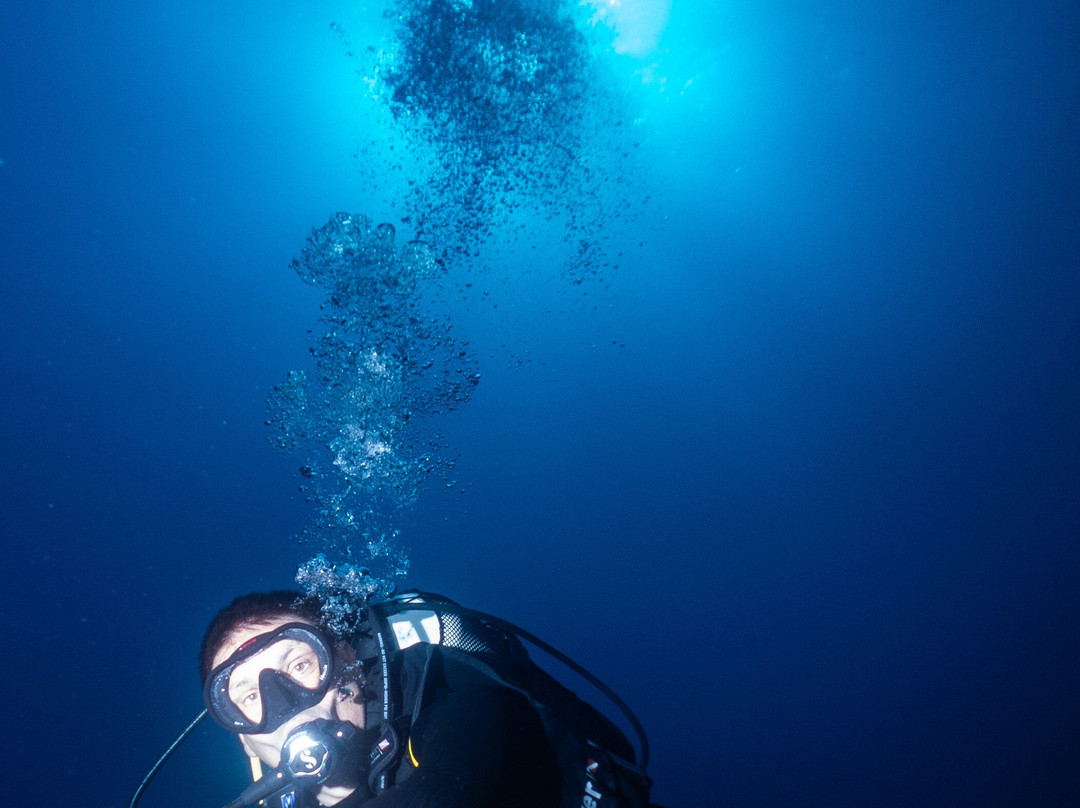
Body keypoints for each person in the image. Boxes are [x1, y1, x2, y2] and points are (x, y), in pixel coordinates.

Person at [199, 589, 653, 808]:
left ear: (349, 662)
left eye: (300, 665)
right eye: (248, 695)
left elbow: (452, 784)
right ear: (244, 741)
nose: (287, 702)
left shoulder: (449, 694)